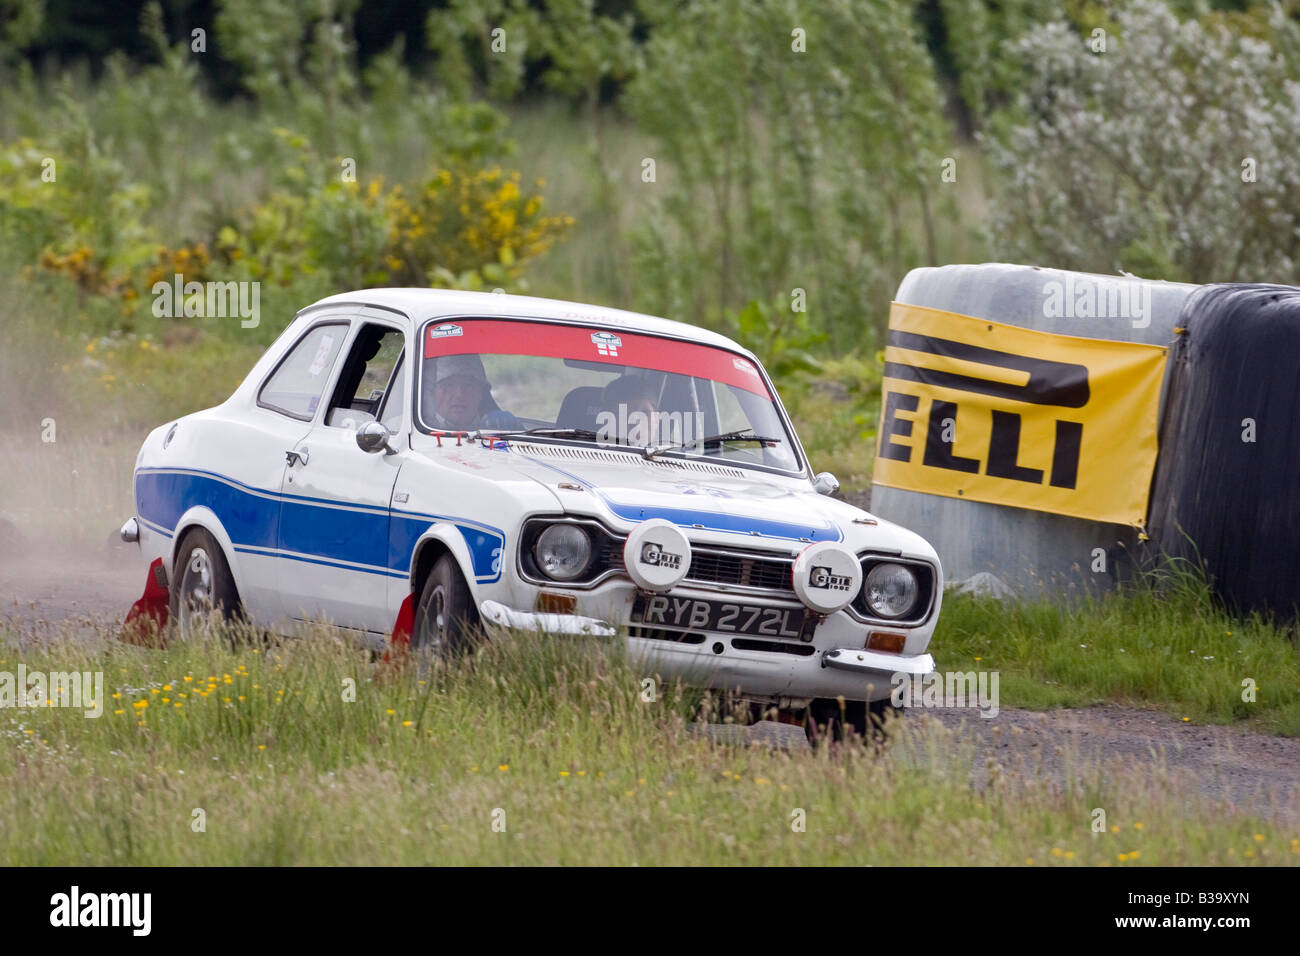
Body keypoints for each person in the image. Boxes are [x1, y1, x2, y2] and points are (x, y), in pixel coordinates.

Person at [425, 353, 516, 430]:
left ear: (481, 392)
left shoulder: (499, 429)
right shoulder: (419, 433)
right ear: (433, 392)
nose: (459, 395)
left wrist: (510, 432)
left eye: (468, 385)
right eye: (449, 385)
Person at [598, 375, 659, 445]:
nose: (636, 423)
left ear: (657, 419)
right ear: (606, 420)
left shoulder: (670, 453)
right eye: (626, 414)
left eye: (645, 414)